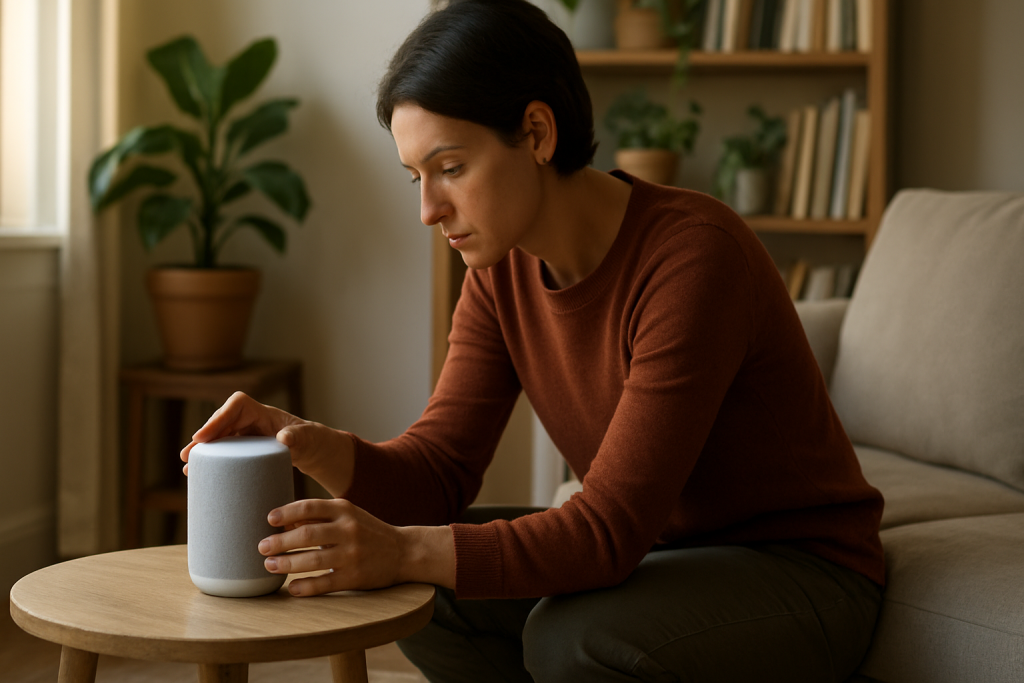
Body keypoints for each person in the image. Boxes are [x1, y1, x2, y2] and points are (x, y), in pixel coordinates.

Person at [181, 1, 885, 680]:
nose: (428, 209)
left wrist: (402, 550)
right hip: (665, 556)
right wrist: (301, 439)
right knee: (424, 599)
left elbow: (606, 532)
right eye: (416, 176)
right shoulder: (499, 269)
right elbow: (438, 475)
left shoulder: (694, 257)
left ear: (538, 133)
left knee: (571, 637)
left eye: (450, 168)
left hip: (802, 573)